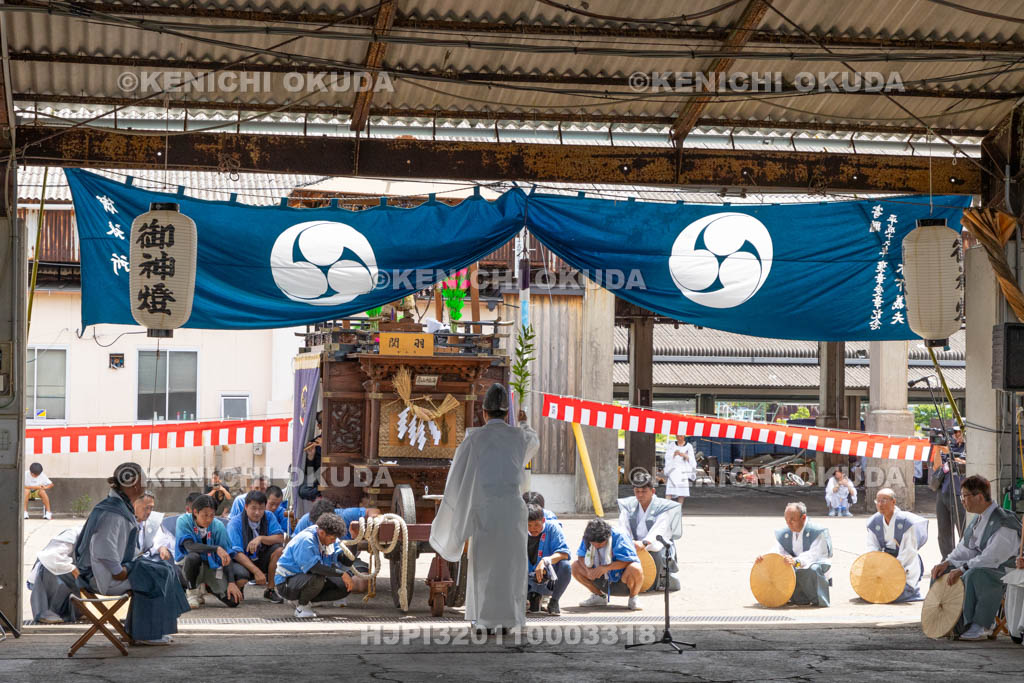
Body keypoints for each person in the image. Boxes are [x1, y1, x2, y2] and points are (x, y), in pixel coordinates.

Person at [430, 383, 539, 633]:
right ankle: (510, 622)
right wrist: (523, 423)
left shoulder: (475, 438)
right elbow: (533, 441)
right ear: (506, 414)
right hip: (513, 510)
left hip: (487, 510)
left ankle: (484, 621)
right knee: (512, 567)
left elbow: (458, 477)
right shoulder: (518, 436)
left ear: (484, 412)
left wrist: (455, 511)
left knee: (486, 566)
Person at [73, 462, 189, 645]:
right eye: (144, 481)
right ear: (135, 485)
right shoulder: (113, 513)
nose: (146, 485)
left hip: (114, 568)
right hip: (103, 575)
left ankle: (148, 630)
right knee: (157, 575)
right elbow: (103, 548)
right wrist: (120, 572)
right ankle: (145, 634)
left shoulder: (119, 507)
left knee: (165, 567)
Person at [930, 474, 1021, 640]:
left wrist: (962, 568)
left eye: (965, 496)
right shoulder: (978, 519)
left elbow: (991, 558)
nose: (962, 500)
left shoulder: (1004, 522)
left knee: (974, 574)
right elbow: (965, 549)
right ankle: (948, 621)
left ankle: (980, 625)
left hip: (1003, 569)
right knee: (941, 572)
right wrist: (947, 562)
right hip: (981, 564)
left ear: (979, 497)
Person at [274, 512, 354, 619]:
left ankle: (305, 600)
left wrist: (355, 538)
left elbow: (347, 560)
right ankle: (302, 606)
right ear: (321, 533)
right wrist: (342, 574)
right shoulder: (306, 540)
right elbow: (315, 568)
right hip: (286, 583)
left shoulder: (330, 537)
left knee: (343, 586)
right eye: (332, 539)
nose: (334, 541)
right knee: (318, 577)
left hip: (305, 578)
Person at [756, 502, 833, 607]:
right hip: (793, 563)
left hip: (814, 563)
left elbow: (814, 555)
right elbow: (777, 550)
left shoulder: (818, 531)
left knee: (812, 569)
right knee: (777, 566)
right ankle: (792, 597)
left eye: (792, 520)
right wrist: (765, 558)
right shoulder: (785, 532)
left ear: (803, 517)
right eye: (786, 520)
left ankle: (817, 599)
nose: (789, 523)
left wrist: (796, 561)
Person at [174, 494, 244, 609]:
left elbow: (227, 555)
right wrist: (215, 549)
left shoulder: (218, 526)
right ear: (195, 512)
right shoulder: (183, 521)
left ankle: (208, 586)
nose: (208, 519)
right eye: (205, 515)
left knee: (233, 601)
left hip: (211, 567)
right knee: (193, 557)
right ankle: (192, 591)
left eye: (212, 515)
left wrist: (231, 582)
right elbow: (189, 546)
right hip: (187, 566)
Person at [616, 472, 682, 592]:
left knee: (655, 553)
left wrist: (645, 543)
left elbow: (660, 530)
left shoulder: (662, 508)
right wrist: (629, 542)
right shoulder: (629, 506)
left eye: (644, 491)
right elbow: (623, 527)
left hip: (654, 544)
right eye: (637, 491)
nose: (640, 495)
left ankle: (654, 583)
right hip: (633, 544)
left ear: (652, 491)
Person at [866, 488, 929, 602]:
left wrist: (890, 569)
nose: (880, 504)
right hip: (884, 563)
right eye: (878, 501)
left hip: (905, 565)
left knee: (892, 594)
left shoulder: (906, 522)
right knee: (868, 591)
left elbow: (908, 551)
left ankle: (910, 589)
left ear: (893, 502)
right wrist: (878, 565)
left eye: (884, 500)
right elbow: (872, 547)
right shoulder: (875, 521)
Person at [227, 490, 286, 604]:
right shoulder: (234, 523)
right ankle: (239, 587)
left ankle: (270, 590)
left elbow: (280, 537)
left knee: (279, 550)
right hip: (242, 561)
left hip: (261, 556)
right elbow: (236, 553)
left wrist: (260, 538)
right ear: (245, 507)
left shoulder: (269, 516)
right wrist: (257, 572)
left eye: (261, 508)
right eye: (253, 508)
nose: (257, 512)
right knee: (241, 578)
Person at [572, 518, 643, 610]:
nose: (597, 546)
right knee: (575, 566)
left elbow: (630, 560)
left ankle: (633, 598)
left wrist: (606, 568)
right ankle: (599, 596)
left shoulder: (620, 536)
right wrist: (588, 570)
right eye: (594, 544)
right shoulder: (588, 538)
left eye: (600, 544)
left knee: (635, 568)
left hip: (622, 580)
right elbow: (581, 556)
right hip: (600, 579)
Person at [525, 503, 570, 615]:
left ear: (543, 520)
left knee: (565, 566)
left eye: (536, 525)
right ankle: (532, 596)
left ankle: (554, 601)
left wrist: (545, 561)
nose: (532, 529)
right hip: (526, 579)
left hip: (548, 579)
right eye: (529, 525)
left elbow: (564, 553)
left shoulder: (553, 528)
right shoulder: (518, 531)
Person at [28, 528, 79, 624]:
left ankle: (76, 611)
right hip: (49, 572)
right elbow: (50, 556)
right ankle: (45, 612)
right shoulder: (72, 534)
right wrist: (74, 570)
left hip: (69, 577)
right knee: (52, 566)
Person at [934, 426, 967, 558]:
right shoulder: (949, 446)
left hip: (960, 493)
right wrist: (938, 450)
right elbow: (937, 467)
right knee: (943, 531)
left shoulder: (970, 446)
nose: (957, 434)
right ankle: (947, 559)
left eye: (960, 432)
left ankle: (964, 558)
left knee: (963, 529)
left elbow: (967, 464)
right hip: (943, 491)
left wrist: (951, 455)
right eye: (954, 432)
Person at [134, 491, 173, 561]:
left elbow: (158, 537)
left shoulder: (151, 520)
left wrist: (162, 548)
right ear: (135, 505)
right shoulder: (124, 521)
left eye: (151, 508)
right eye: (146, 508)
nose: (149, 512)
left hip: (144, 559)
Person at [663, 435, 697, 505]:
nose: (679, 438)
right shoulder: (672, 445)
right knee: (670, 490)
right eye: (677, 436)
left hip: (683, 469)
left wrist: (685, 455)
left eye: (680, 436)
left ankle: (679, 507)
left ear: (684, 436)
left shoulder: (688, 446)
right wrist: (674, 454)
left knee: (682, 491)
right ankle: (666, 507)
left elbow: (692, 459)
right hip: (673, 469)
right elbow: (667, 457)